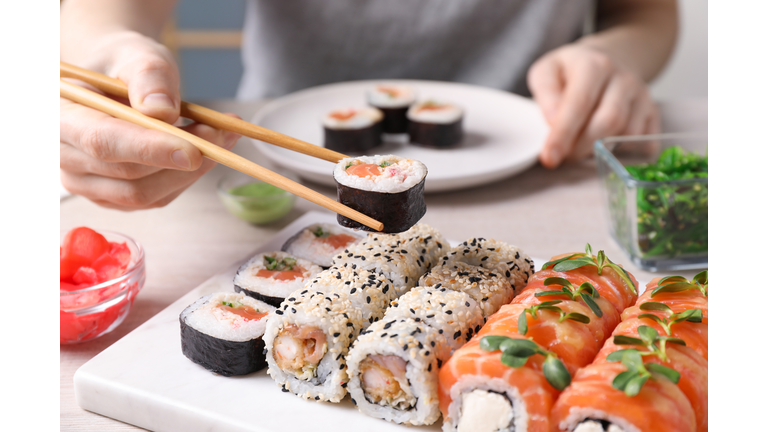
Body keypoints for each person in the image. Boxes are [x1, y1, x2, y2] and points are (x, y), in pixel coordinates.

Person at [60, 0, 678, 210]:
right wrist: (106, 49)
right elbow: (108, 10)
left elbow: (647, 14)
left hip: (549, 158)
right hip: (275, 170)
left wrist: (615, 56)